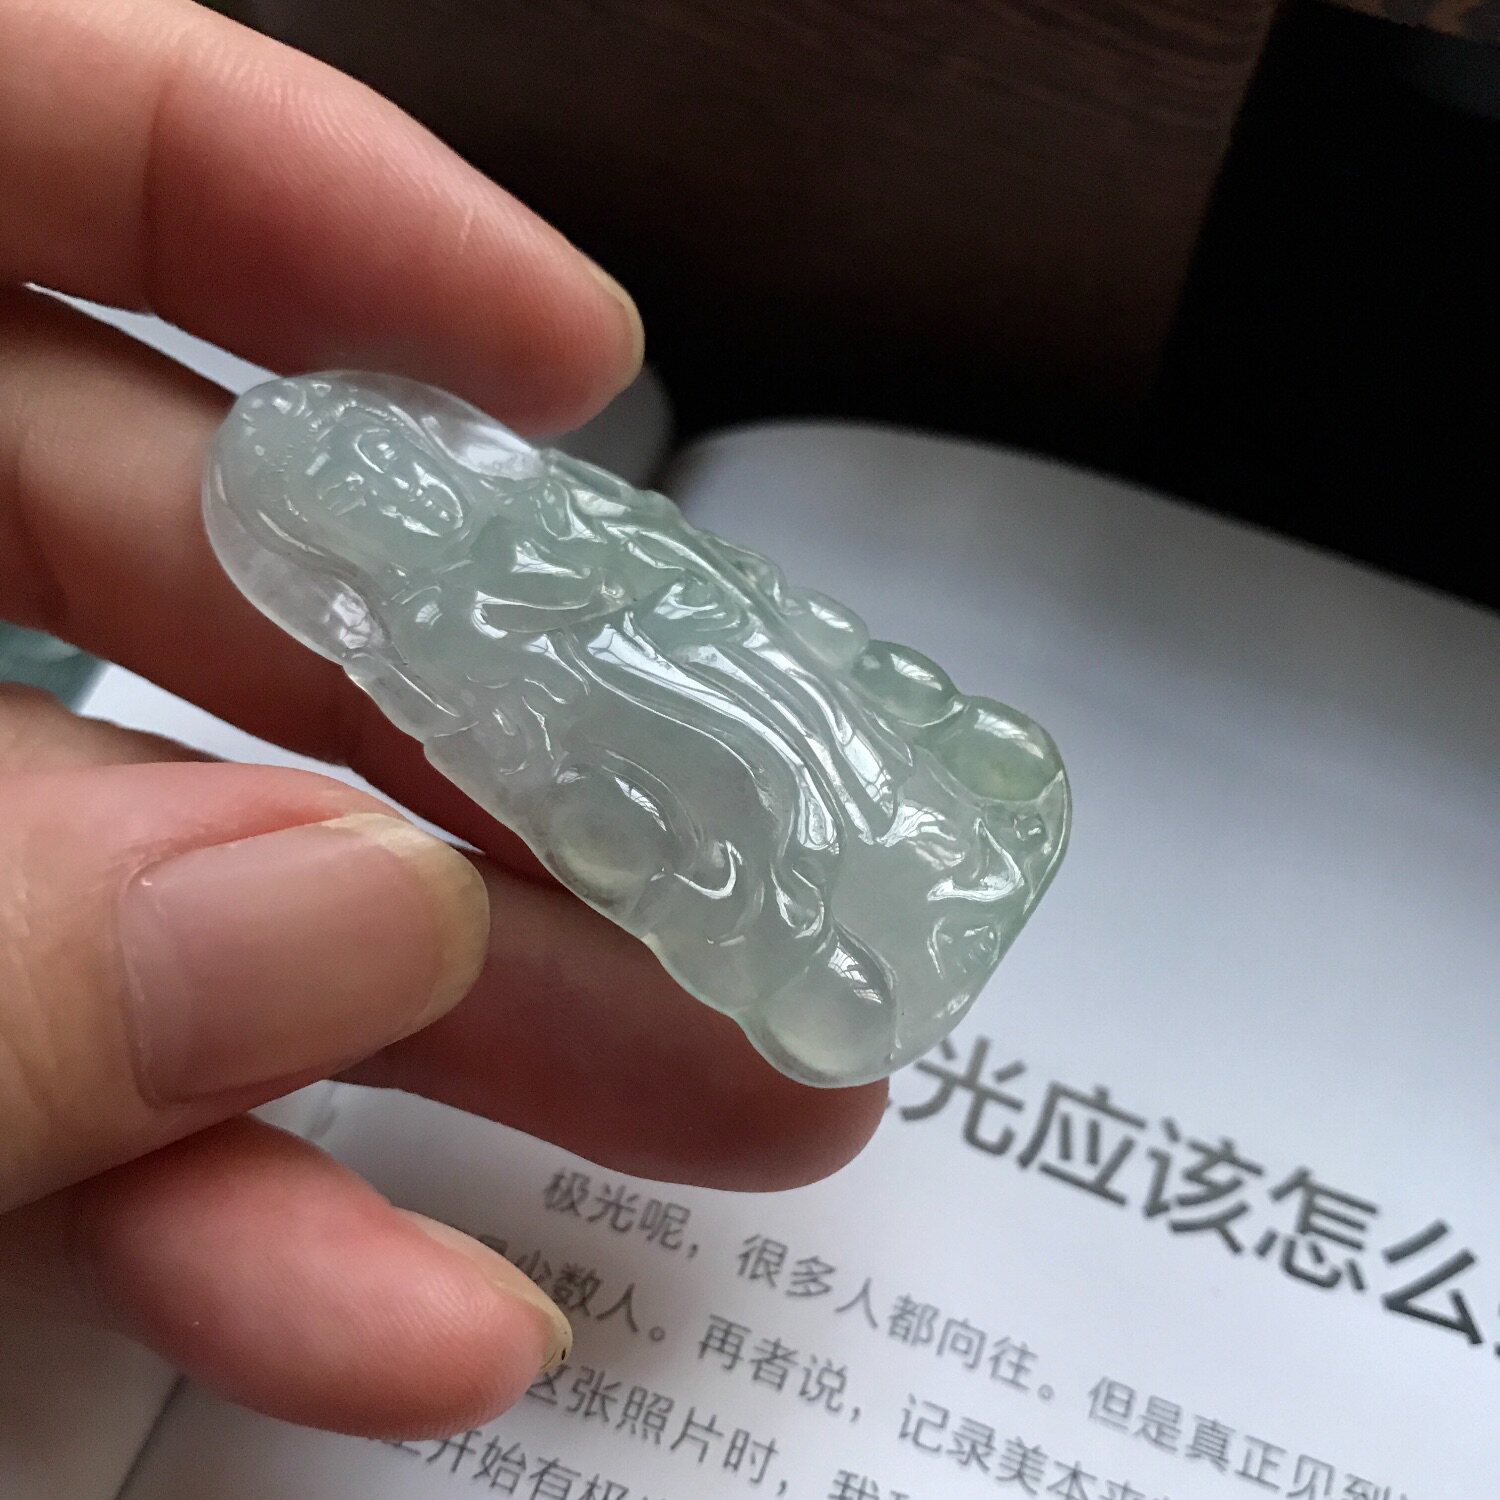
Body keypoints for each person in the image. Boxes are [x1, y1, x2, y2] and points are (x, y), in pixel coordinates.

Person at [0, 0, 883, 1439]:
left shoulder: (516, 533)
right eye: (358, 500)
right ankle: (815, 904)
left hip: (685, 662)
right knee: (714, 805)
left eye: (391, 475)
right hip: (622, 732)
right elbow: (498, 708)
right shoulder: (414, 618)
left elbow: (647, 585)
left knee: (795, 730)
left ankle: (882, 858)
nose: (397, 496)